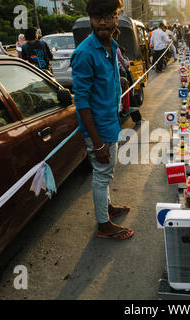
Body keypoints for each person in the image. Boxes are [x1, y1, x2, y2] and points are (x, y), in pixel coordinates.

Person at [70, 0, 134, 240]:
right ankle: (104, 225)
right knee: (101, 174)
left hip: (110, 123)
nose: (103, 21)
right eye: (98, 17)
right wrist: (96, 143)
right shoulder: (85, 53)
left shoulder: (110, 46)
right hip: (98, 130)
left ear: (117, 17)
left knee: (106, 172)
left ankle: (107, 209)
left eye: (109, 15)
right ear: (91, 19)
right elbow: (82, 102)